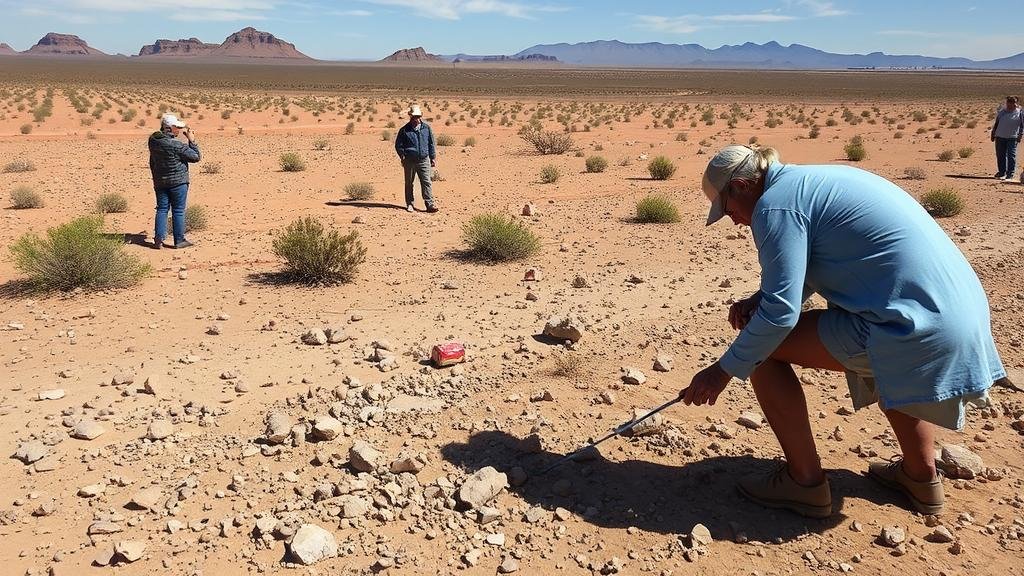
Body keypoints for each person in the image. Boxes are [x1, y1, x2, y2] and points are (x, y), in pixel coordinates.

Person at [680, 145, 1005, 518]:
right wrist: (761, 296)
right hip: (958, 317)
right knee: (884, 356)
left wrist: (721, 372)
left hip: (914, 328)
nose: (735, 221)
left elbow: (779, 315)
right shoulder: (817, 180)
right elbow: (822, 264)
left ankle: (804, 483)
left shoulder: (776, 206)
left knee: (762, 348)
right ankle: (920, 476)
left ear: (740, 186)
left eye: (729, 210)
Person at [149, 113, 200, 249]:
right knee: (178, 210)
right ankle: (179, 240)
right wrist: (192, 141)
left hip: (160, 181)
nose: (178, 130)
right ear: (169, 128)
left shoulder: (153, 141)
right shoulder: (177, 146)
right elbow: (195, 157)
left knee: (162, 209)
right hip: (178, 182)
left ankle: (158, 239)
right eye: (176, 127)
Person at [394, 105, 438, 213]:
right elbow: (398, 145)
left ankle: (429, 204)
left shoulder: (426, 128)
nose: (416, 119)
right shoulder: (404, 130)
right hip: (409, 161)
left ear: (420, 116)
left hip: (423, 160)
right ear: (410, 117)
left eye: (418, 116)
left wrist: (432, 157)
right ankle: (409, 204)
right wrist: (402, 155)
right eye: (414, 117)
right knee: (409, 183)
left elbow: (431, 143)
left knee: (426, 182)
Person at [991, 96, 1023, 181]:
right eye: (1009, 102)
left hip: (1012, 137)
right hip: (1000, 136)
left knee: (1011, 155)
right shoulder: (1001, 112)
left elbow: (1022, 125)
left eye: (1013, 102)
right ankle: (1002, 172)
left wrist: (1020, 134)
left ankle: (1010, 174)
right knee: (1000, 155)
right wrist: (993, 133)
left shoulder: (1020, 112)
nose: (1010, 104)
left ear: (1016, 103)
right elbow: (997, 123)